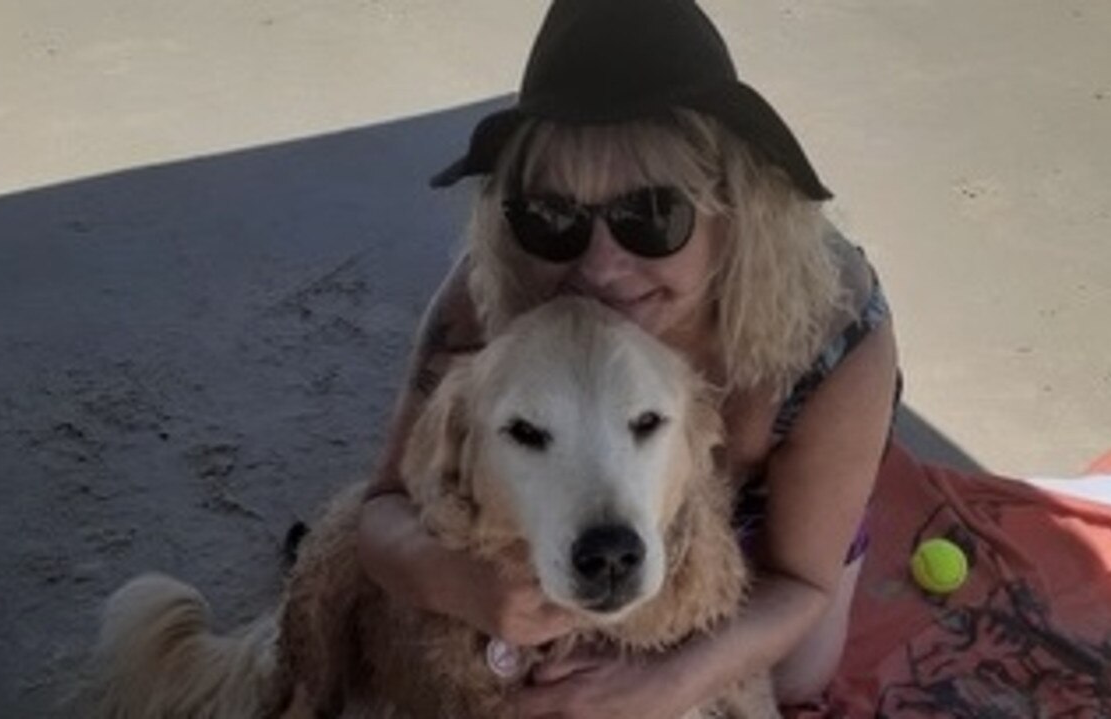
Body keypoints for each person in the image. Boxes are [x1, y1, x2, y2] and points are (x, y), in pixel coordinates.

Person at [357, 0, 900, 715]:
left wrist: (663, 684)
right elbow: (382, 509)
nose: (600, 267)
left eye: (651, 215)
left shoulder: (835, 330)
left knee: (795, 675)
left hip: (752, 525)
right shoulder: (489, 293)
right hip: (564, 503)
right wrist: (459, 582)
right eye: (551, 215)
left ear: (732, 206)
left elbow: (799, 581)